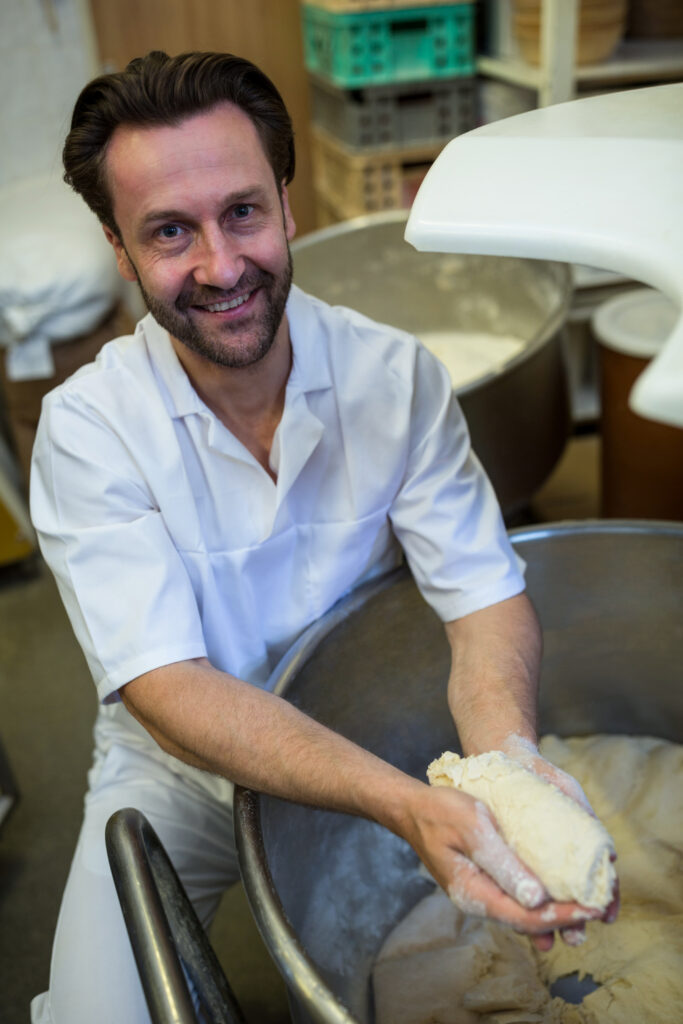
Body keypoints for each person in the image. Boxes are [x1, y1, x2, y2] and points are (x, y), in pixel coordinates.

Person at [29, 50, 617, 1024]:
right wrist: (401, 805)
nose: (221, 266)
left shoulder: (393, 380)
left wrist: (505, 769)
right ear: (120, 251)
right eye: (170, 232)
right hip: (174, 779)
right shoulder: (89, 431)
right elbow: (169, 693)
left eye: (242, 212)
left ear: (286, 206)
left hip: (375, 736)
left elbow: (480, 598)